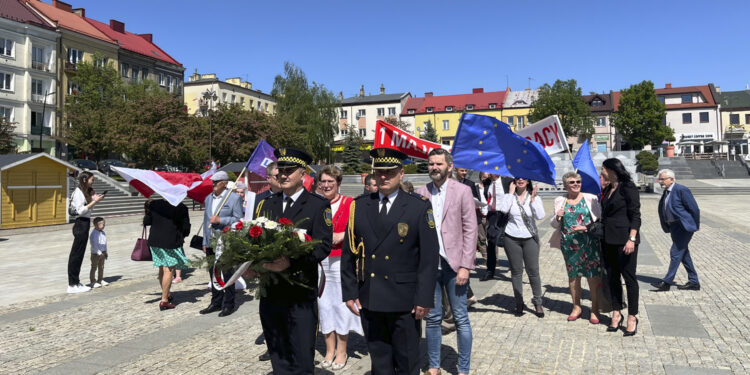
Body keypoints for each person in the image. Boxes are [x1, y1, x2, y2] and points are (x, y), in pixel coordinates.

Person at [341, 147, 439, 375]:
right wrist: (349, 292)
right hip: (371, 297)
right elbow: (349, 253)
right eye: (379, 172)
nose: (383, 177)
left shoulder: (418, 206)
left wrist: (424, 298)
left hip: (404, 300)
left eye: (390, 172)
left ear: (401, 173)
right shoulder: (360, 205)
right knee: (380, 362)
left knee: (407, 362)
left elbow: (429, 257)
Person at [251, 147, 332, 374]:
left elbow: (322, 246)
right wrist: (251, 266)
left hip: (299, 292)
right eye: (281, 171)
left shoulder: (318, 205)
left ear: (303, 174)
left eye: (289, 171)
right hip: (271, 292)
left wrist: (291, 263)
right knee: (278, 352)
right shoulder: (267, 204)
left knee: (301, 354)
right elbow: (256, 242)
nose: (283, 175)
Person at [416, 149, 477, 375]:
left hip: (455, 265)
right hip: (430, 266)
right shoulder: (422, 193)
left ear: (449, 167)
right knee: (432, 319)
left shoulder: (462, 191)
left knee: (460, 318)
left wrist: (465, 266)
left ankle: (463, 368)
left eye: (438, 164)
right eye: (431, 164)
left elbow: (470, 230)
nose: (434, 167)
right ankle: (433, 366)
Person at [315, 165, 363, 371]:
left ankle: (342, 351)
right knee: (324, 306)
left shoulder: (350, 203)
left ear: (338, 184)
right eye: (323, 182)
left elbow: (359, 229)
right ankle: (329, 349)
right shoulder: (315, 204)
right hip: (318, 261)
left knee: (341, 305)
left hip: (341, 262)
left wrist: (341, 236)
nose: (326, 186)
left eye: (330, 182)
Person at [549, 172, 603, 323]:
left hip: (589, 243)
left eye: (578, 181)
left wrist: (585, 228)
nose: (576, 184)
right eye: (572, 182)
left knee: (592, 276)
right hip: (569, 245)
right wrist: (558, 216)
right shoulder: (560, 200)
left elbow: (599, 221)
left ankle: (595, 308)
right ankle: (576, 306)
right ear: (565, 185)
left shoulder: (590, 198)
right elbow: (554, 224)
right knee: (573, 276)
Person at [600, 158, 641, 336]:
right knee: (612, 278)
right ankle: (617, 312)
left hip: (625, 241)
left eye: (603, 169)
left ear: (612, 170)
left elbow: (636, 215)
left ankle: (632, 316)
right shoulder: (609, 189)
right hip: (607, 240)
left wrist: (632, 238)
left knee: (629, 278)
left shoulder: (628, 187)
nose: (601, 171)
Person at [497, 177, 545, 317]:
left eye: (524, 178)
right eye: (517, 178)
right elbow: (503, 210)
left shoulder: (533, 197)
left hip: (530, 237)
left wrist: (534, 200)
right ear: (514, 181)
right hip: (511, 237)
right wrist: (510, 194)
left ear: (529, 181)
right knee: (516, 272)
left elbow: (540, 216)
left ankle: (538, 302)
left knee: (533, 271)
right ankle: (519, 302)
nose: (521, 180)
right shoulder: (509, 196)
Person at [199, 171, 243, 317]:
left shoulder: (234, 198)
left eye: (216, 182)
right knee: (213, 273)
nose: (213, 185)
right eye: (212, 182)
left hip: (225, 241)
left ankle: (229, 303)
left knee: (227, 272)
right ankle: (216, 301)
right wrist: (205, 241)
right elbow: (206, 222)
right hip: (211, 241)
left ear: (224, 183)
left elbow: (238, 219)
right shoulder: (208, 199)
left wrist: (221, 221)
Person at [652, 169, 701, 291]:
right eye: (660, 179)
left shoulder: (681, 190)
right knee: (683, 253)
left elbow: (694, 209)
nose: (660, 181)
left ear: (672, 179)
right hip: (674, 226)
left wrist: (695, 224)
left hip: (684, 226)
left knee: (675, 251)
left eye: (663, 179)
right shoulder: (667, 192)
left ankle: (667, 282)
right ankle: (694, 282)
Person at [143, 199, 191, 310]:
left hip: (154, 241)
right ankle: (164, 300)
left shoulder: (154, 204)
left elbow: (147, 221)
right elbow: (186, 228)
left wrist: (148, 210)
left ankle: (167, 294)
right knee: (169, 270)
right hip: (171, 242)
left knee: (161, 269)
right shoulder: (181, 207)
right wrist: (181, 235)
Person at [67, 171, 104, 294]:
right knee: (76, 254)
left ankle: (76, 282)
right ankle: (72, 284)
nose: (93, 182)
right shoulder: (78, 192)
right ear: (84, 179)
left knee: (79, 254)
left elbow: (87, 209)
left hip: (85, 223)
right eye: (91, 180)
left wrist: (94, 200)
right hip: (80, 223)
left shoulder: (85, 192)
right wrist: (94, 202)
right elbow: (81, 211)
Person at [482, 173, 513, 281]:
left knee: (507, 241)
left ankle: (515, 269)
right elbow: (486, 197)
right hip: (492, 215)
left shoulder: (507, 181)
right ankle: (490, 271)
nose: (486, 173)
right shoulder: (487, 182)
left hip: (504, 215)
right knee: (490, 242)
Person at [88, 217, 109, 288]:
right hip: (95, 254)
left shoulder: (103, 233)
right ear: (96, 225)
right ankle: (92, 281)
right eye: (102, 224)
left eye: (104, 224)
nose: (104, 225)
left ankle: (100, 279)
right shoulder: (94, 234)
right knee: (94, 267)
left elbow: (105, 243)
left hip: (103, 253)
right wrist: (100, 253)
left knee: (101, 267)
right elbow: (94, 245)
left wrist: (105, 252)